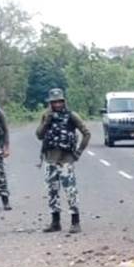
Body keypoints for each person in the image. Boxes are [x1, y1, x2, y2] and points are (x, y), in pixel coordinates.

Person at [36, 88, 91, 234]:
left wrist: (78, 153)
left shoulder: (71, 116)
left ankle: (75, 221)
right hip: (50, 159)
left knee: (70, 191)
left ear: (63, 101)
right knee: (52, 191)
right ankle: (55, 222)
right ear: (50, 103)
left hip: (66, 160)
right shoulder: (46, 116)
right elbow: (39, 135)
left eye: (59, 101)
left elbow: (86, 133)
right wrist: (46, 122)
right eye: (54, 102)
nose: (57, 104)